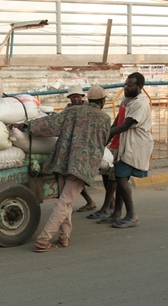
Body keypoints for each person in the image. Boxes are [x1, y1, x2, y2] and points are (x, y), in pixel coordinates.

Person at [19, 85, 111, 252]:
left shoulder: (73, 111)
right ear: (103, 101)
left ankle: (64, 238)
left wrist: (26, 126)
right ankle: (43, 240)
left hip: (63, 162)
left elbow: (50, 124)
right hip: (82, 166)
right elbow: (103, 142)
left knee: (65, 202)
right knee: (65, 203)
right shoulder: (104, 118)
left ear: (88, 99)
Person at [98, 72, 154, 228]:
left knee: (120, 176)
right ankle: (116, 213)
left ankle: (131, 215)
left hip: (136, 146)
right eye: (126, 84)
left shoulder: (140, 103)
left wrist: (104, 136)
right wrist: (105, 141)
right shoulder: (128, 101)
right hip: (126, 146)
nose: (126, 87)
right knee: (120, 177)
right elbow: (117, 123)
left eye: (130, 85)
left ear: (139, 87)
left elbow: (124, 126)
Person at [86, 87, 126, 219]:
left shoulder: (134, 106)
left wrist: (104, 140)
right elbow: (116, 124)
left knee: (113, 176)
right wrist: (104, 143)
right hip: (114, 143)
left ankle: (107, 207)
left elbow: (120, 126)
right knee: (106, 174)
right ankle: (111, 205)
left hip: (123, 144)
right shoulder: (124, 104)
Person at [65, 85, 97, 213]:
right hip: (75, 146)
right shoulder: (68, 109)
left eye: (77, 96)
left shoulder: (88, 108)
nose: (75, 99)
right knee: (77, 176)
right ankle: (90, 201)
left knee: (79, 176)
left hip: (87, 146)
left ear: (82, 97)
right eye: (73, 97)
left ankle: (103, 204)